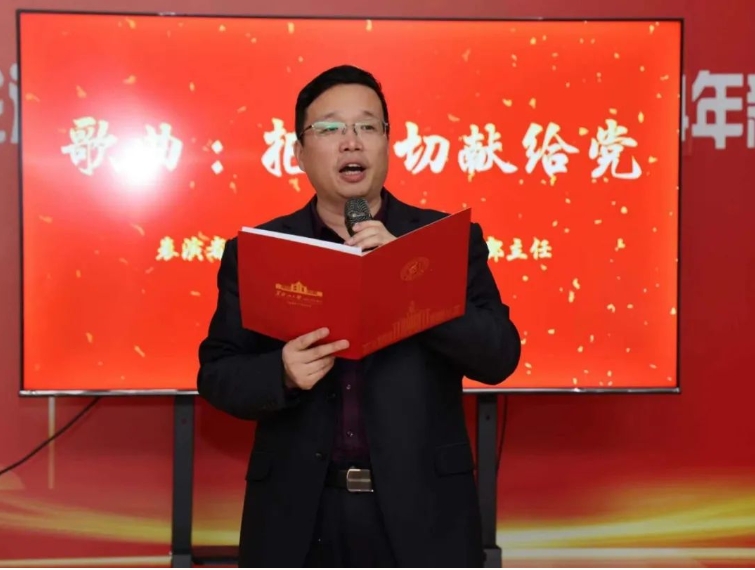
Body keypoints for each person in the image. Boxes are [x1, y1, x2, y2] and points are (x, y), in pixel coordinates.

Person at [197, 64, 521, 568]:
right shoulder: (260, 251)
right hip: (299, 517)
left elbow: (499, 355)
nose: (352, 142)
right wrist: (281, 372)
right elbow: (217, 374)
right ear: (299, 152)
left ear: (387, 142)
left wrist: (408, 280)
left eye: (367, 126)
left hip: (423, 519)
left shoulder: (442, 242)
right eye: (330, 128)